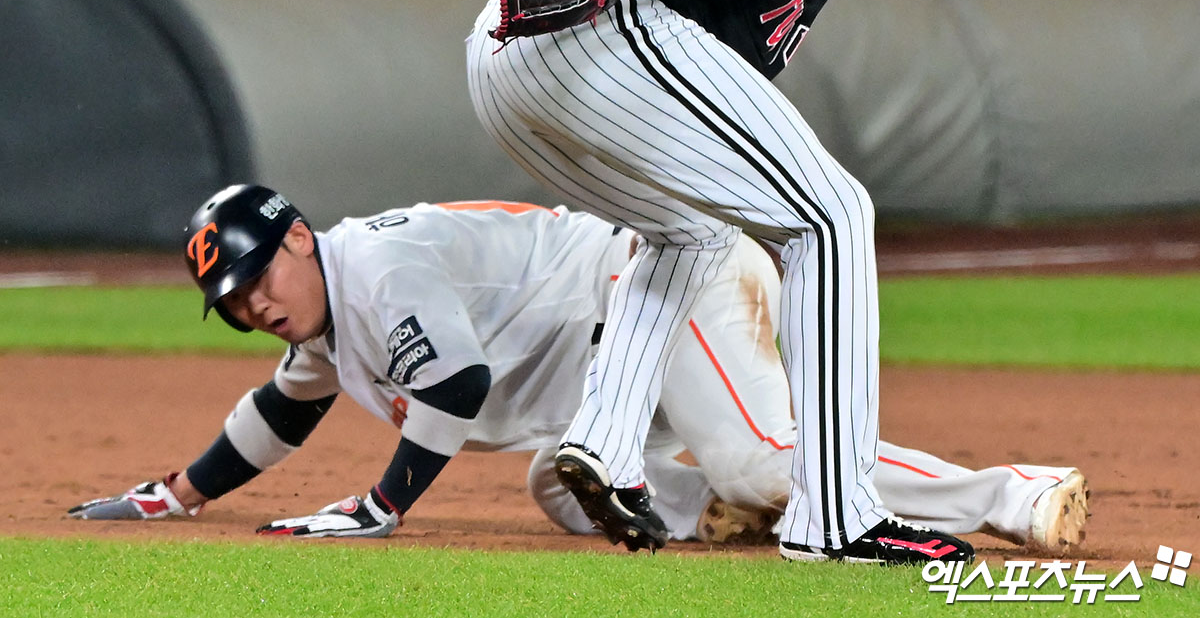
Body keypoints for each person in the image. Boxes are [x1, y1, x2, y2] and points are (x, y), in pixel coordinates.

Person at [464, 0, 995, 563]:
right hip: (595, 16)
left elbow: (718, 50)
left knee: (695, 231)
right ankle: (837, 513)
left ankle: (607, 445)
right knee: (836, 214)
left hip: (508, 54)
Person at [68, 185, 1089, 555]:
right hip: (615, 351)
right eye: (233, 301)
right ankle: (732, 512)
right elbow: (278, 412)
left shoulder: (373, 266)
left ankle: (1011, 490)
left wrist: (383, 504)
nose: (252, 305)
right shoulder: (326, 319)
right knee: (565, 482)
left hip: (659, 283)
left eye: (255, 277)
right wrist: (174, 494)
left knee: (758, 456)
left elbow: (455, 387)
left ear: (294, 238)